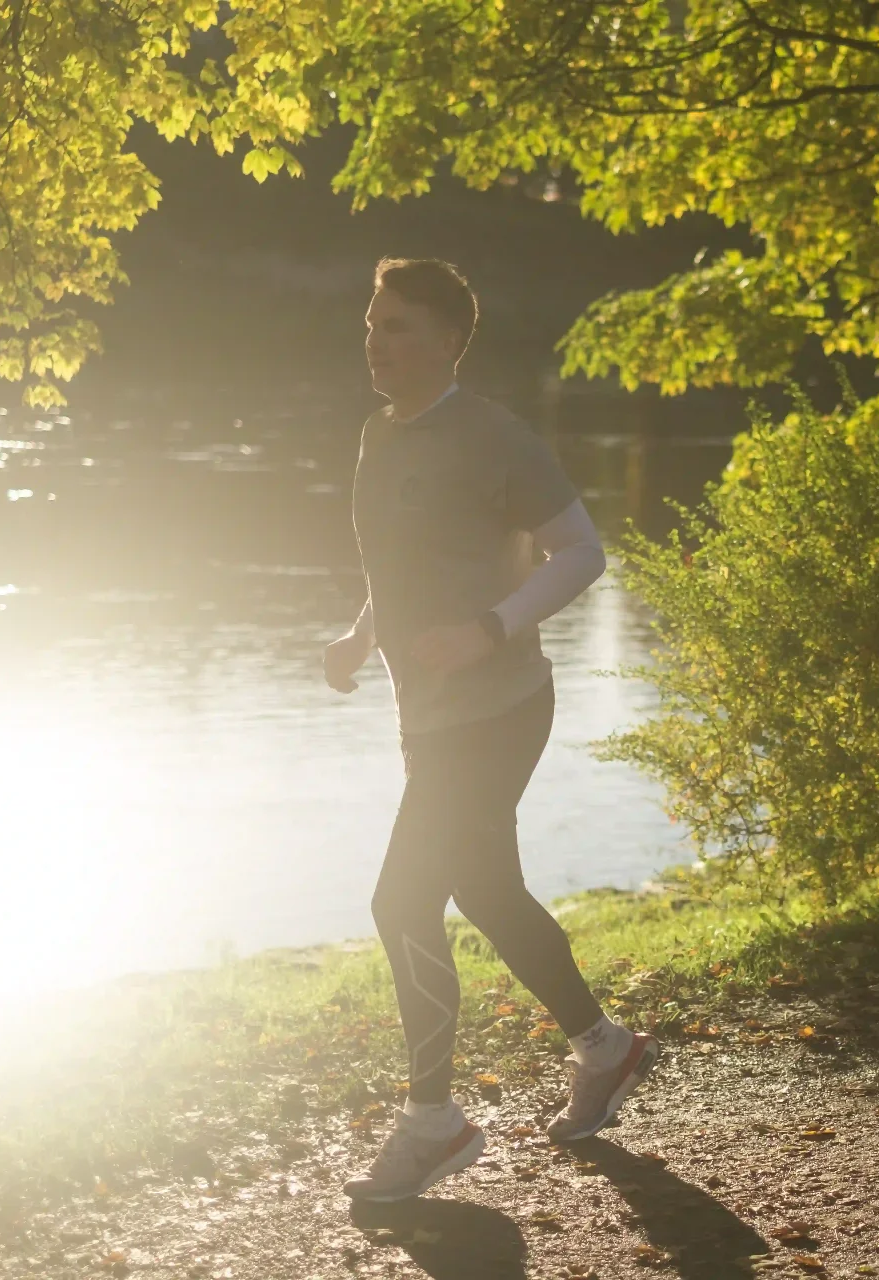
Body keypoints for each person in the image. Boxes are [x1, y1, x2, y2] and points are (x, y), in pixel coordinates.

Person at [324, 257, 658, 1203]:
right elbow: (400, 562)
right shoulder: (377, 436)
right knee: (488, 891)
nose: (376, 343)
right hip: (428, 717)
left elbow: (582, 551)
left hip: (498, 709)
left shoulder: (495, 436)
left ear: (446, 340)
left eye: (396, 327)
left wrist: (489, 629)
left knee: (402, 903)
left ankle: (432, 1121)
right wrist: (360, 635)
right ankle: (606, 1047)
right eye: (371, 324)